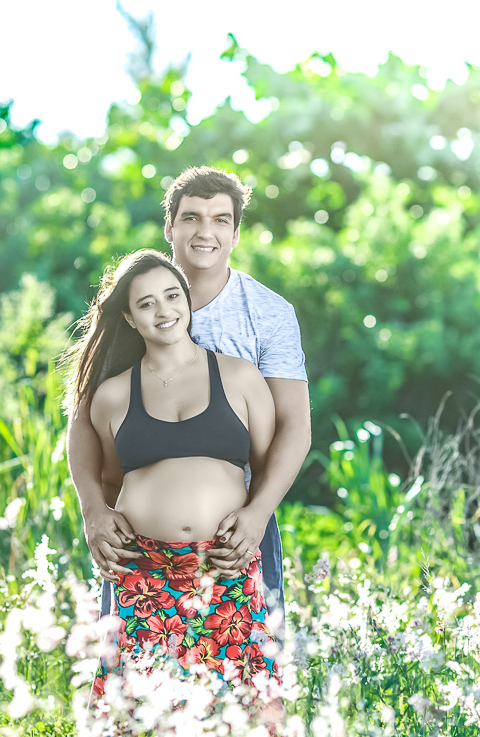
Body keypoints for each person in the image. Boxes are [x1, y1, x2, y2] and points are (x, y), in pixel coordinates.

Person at [65, 250, 280, 737]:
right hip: (145, 572)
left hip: (225, 568)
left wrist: (255, 515)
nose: (163, 310)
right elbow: (109, 475)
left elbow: (268, 463)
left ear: (188, 302)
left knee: (241, 707)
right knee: (130, 708)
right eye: (146, 302)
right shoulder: (112, 396)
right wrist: (96, 511)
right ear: (130, 318)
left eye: (172, 296)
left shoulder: (240, 376)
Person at [67, 166, 311, 634]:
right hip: (142, 547)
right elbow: (84, 421)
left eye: (221, 220)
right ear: (170, 227)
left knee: (248, 693)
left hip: (236, 534)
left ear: (236, 233)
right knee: (132, 694)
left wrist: (257, 515)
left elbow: (294, 428)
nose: (206, 232)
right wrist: (94, 509)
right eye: (193, 218)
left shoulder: (269, 314)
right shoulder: (140, 301)